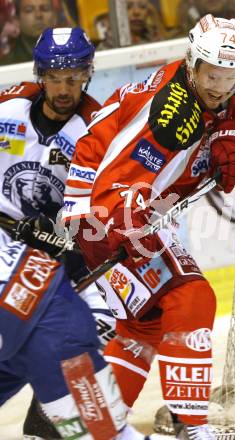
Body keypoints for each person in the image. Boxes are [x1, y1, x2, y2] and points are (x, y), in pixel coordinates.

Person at [63, 13, 235, 439]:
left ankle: (95, 428)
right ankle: (191, 426)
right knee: (190, 296)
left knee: (141, 327)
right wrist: (116, 232)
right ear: (192, 63)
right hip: (108, 214)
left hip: (113, 214)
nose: (220, 85)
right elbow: (115, 184)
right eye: (212, 74)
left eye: (230, 75)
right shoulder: (170, 115)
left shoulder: (224, 98)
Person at [0, 26, 147, 440]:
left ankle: (50, 419)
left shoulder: (99, 132)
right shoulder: (6, 109)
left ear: (87, 74)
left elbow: (103, 212)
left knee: (94, 325)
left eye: (74, 77)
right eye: (54, 77)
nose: (64, 88)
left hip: (56, 253)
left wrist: (74, 243)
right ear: (39, 74)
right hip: (2, 245)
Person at [0, 0, 57, 65]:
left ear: (55, 17)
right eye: (29, 10)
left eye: (45, 9)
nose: (38, 15)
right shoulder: (6, 65)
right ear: (17, 19)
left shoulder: (69, 54)